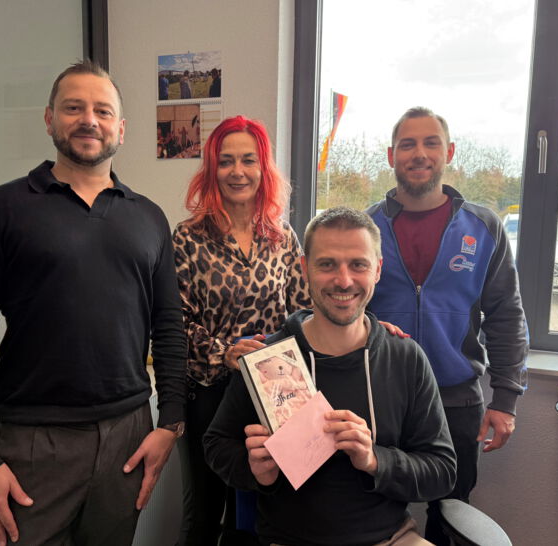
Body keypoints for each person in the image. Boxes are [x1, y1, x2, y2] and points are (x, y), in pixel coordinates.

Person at [0, 60, 186, 546]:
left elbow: (169, 325)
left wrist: (170, 423)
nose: (88, 120)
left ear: (121, 128)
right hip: (32, 443)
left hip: (128, 435)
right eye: (73, 108)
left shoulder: (149, 218)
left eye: (102, 111)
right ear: (49, 118)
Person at [204, 206, 456, 546]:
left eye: (358, 265)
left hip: (392, 539)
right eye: (327, 264)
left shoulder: (405, 358)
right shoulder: (268, 360)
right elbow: (216, 445)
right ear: (304, 268)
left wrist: (375, 460)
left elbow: (442, 471)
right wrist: (255, 470)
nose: (344, 280)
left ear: (377, 270)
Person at [366, 107, 528, 544]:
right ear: (391, 156)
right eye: (407, 144)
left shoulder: (484, 226)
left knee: (452, 514)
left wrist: (506, 399)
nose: (419, 153)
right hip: (381, 398)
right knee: (373, 512)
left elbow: (506, 315)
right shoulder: (366, 227)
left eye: (430, 143)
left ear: (449, 152)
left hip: (456, 403)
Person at [172, 115, 310, 545]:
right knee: (205, 511)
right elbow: (175, 325)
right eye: (226, 161)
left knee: (258, 511)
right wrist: (225, 352)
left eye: (248, 160)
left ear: (263, 168)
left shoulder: (282, 237)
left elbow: (305, 312)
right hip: (212, 392)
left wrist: (368, 326)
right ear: (212, 169)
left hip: (274, 392)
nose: (238, 171)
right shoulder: (188, 238)